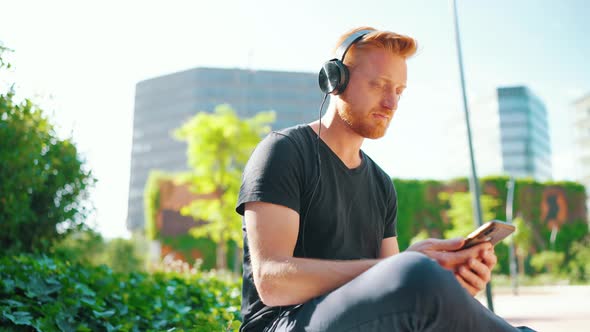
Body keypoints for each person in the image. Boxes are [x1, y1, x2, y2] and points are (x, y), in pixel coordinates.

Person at [236, 27, 535, 332]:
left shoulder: (381, 183)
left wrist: (448, 291)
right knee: (414, 272)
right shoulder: (283, 151)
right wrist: (408, 269)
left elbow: (392, 293)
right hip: (281, 324)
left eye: (399, 91)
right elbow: (272, 282)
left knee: (421, 278)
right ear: (335, 81)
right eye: (379, 85)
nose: (391, 103)